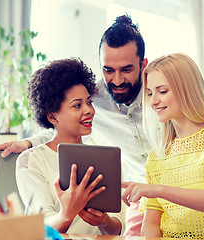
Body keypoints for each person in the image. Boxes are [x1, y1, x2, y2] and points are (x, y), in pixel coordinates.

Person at [0, 14, 204, 236]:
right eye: (108, 69)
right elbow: (62, 120)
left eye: (126, 70)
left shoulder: (162, 91)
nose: (116, 80)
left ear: (142, 65)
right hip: (138, 199)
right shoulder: (94, 98)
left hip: (159, 194)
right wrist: (28, 142)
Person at [122, 53, 204, 239]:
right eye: (150, 93)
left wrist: (158, 190)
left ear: (187, 89)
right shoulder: (156, 157)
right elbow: (151, 224)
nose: (153, 101)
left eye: (162, 91)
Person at [16, 58, 124, 235]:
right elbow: (41, 230)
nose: (89, 110)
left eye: (89, 102)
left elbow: (119, 227)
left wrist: (104, 221)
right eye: (77, 105)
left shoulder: (106, 158)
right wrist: (66, 214)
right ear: (52, 117)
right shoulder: (31, 161)